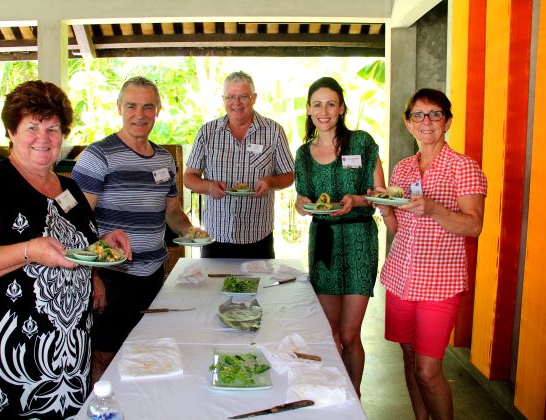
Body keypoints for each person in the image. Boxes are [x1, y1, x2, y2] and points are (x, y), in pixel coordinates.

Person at [0, 80, 131, 419]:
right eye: (32, 126)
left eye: (53, 128)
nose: (43, 137)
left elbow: (77, 248)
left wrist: (104, 246)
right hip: (6, 359)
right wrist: (28, 250)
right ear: (11, 131)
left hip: (67, 358)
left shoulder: (69, 188)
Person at [71, 76, 197, 384]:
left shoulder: (165, 159)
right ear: (118, 108)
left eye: (147, 107)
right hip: (113, 278)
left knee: (149, 354)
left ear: (158, 110)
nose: (139, 114)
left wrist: (192, 231)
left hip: (153, 275)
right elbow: (75, 221)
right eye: (131, 106)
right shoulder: (97, 156)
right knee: (105, 354)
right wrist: (94, 277)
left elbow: (171, 211)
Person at [377, 88, 487, 420]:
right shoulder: (403, 169)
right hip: (400, 279)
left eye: (435, 114)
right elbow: (400, 227)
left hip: (439, 284)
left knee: (428, 370)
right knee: (409, 360)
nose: (427, 122)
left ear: (448, 121)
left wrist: (434, 208)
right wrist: (383, 208)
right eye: (418, 115)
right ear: (408, 123)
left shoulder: (463, 167)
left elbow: (474, 226)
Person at [294, 76, 385, 396]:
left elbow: (380, 194)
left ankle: (354, 397)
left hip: (360, 241)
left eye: (331, 103)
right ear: (308, 109)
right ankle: (334, 395)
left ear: (342, 108)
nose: (324, 110)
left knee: (349, 335)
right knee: (329, 332)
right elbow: (302, 199)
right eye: (317, 104)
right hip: (324, 242)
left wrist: (358, 200)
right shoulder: (303, 154)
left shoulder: (361, 143)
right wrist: (302, 205)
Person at [184, 71, 294, 258]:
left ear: (254, 98)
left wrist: (270, 182)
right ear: (223, 99)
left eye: (243, 96)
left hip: (258, 236)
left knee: (260, 287)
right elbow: (189, 178)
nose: (237, 103)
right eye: (230, 97)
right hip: (215, 236)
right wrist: (209, 186)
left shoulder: (273, 131)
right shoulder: (207, 132)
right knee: (213, 287)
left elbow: (289, 175)